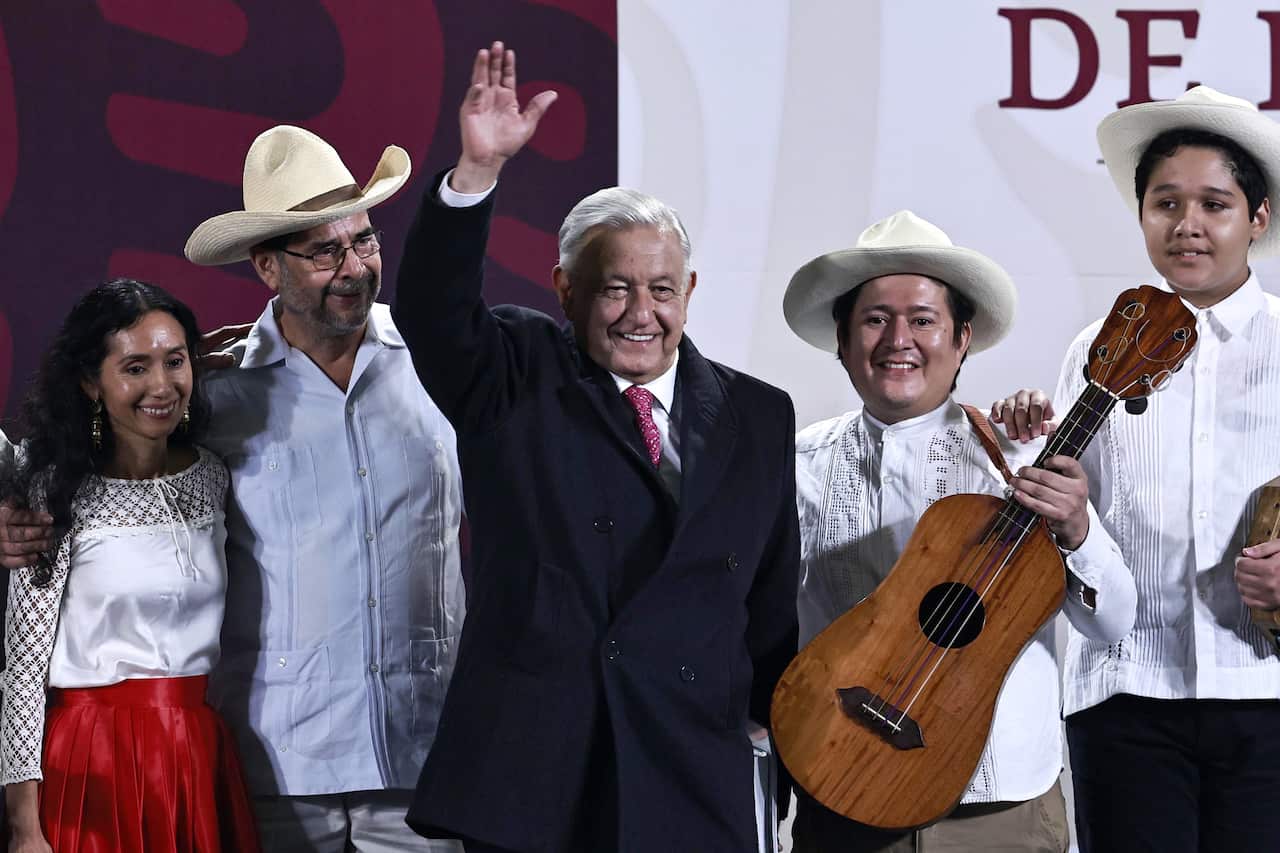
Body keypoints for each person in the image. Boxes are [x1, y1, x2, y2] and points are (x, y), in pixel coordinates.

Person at [391, 43, 799, 852]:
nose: (639, 312)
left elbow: (769, 596)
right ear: (566, 290)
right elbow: (434, 313)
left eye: (659, 288)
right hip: (538, 774)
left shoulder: (759, 413)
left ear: (689, 292)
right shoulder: (516, 371)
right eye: (615, 287)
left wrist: (772, 735)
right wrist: (475, 174)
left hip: (688, 766)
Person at [782, 212, 1135, 852]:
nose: (898, 339)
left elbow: (1110, 624)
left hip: (1000, 808)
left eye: (922, 319)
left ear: (962, 337)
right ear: (842, 338)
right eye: (874, 318)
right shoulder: (794, 466)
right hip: (844, 781)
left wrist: (1080, 530)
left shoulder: (1022, 460)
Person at [992, 86, 1280, 851]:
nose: (1187, 225)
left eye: (1215, 204)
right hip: (1123, 695)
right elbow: (1058, 522)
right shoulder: (1094, 347)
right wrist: (1031, 462)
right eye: (1165, 202)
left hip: (1268, 690)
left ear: (1258, 217)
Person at [179, 125, 466, 851]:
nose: (354, 267)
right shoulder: (215, 394)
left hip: (426, 753)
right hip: (279, 762)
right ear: (267, 267)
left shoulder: (441, 362)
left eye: (364, 240)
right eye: (324, 250)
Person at [0, 279, 261, 852]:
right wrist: (24, 829)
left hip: (197, 751)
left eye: (175, 362)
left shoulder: (214, 475)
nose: (161, 386)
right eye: (135, 368)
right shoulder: (53, 490)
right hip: (88, 757)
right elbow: (21, 671)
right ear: (91, 382)